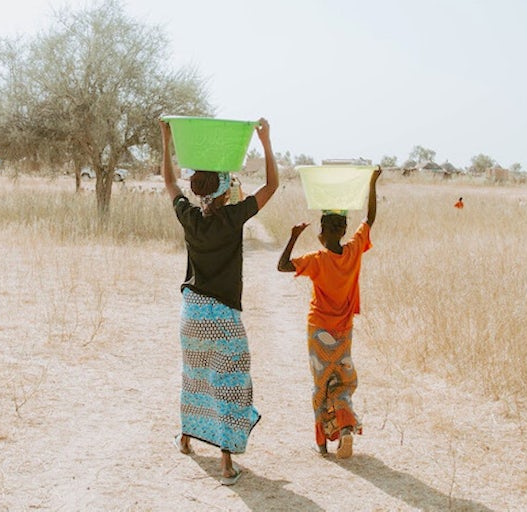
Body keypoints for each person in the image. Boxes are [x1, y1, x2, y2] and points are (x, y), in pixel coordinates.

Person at [159, 117, 278, 485]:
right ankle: (226, 463)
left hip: (191, 313)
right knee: (229, 382)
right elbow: (272, 184)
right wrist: (266, 140)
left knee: (195, 376)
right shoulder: (233, 217)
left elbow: (168, 181)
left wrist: (167, 139)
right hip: (223, 315)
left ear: (198, 190)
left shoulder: (189, 216)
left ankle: (185, 438)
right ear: (227, 191)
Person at [277, 167, 381, 459]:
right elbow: (369, 218)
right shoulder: (354, 251)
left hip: (318, 331)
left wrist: (294, 236)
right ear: (343, 230)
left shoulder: (318, 260)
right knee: (343, 382)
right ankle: (345, 428)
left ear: (322, 232)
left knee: (320, 384)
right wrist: (372, 182)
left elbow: (283, 266)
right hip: (343, 331)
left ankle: (322, 443)